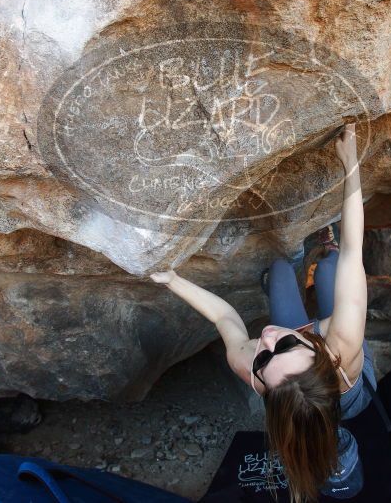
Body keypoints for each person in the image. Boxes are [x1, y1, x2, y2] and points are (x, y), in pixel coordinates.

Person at [151, 123, 373, 502]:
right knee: (336, 269)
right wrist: (350, 163)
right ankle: (324, 248)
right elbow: (358, 250)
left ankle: (293, 263)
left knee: (281, 272)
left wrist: (172, 280)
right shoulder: (344, 346)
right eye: (283, 346)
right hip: (344, 380)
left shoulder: (255, 372)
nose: (267, 338)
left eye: (266, 358)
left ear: (265, 387)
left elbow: (225, 320)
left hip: (310, 346)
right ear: (322, 356)